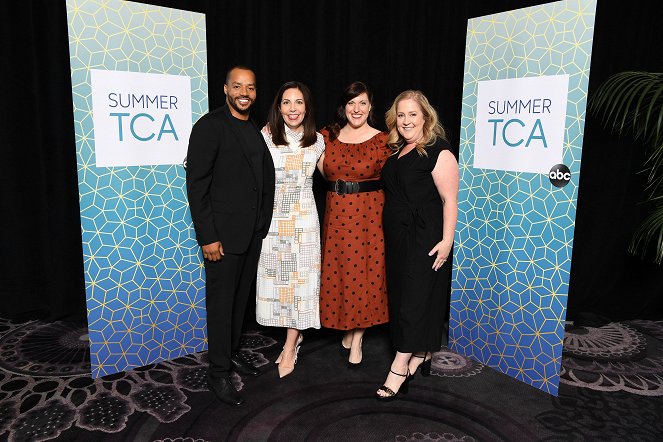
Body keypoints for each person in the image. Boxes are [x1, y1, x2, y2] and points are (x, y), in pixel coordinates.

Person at [186, 66, 275, 406]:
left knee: (239, 302)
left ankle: (231, 352)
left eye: (250, 87)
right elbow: (197, 185)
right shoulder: (210, 126)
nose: (244, 92)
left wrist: (261, 225)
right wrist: (207, 236)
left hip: (250, 234)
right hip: (221, 238)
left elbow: (257, 179)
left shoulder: (251, 127)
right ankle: (218, 373)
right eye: (237, 86)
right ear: (225, 89)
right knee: (222, 306)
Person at [375, 90, 459, 401]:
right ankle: (421, 354)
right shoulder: (398, 152)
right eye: (401, 115)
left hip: (424, 237)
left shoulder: (438, 151)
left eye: (412, 114)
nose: (407, 120)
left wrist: (447, 241)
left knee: (413, 299)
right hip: (397, 238)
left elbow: (450, 200)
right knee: (403, 298)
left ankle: (398, 369)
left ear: (425, 116)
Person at [319, 81, 391, 367]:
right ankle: (348, 328)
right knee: (343, 271)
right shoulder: (327, 135)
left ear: (370, 106)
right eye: (351, 103)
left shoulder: (384, 139)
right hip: (336, 212)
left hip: (369, 214)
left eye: (362, 103)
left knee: (366, 272)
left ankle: (357, 338)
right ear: (343, 106)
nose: (356, 109)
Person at [256, 81, 325, 378]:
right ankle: (291, 338)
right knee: (280, 283)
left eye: (298, 102)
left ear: (306, 107)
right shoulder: (266, 136)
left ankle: (290, 345)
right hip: (273, 219)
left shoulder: (319, 140)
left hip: (304, 220)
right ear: (278, 107)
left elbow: (337, 175)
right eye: (287, 102)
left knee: (301, 284)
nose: (293, 108)